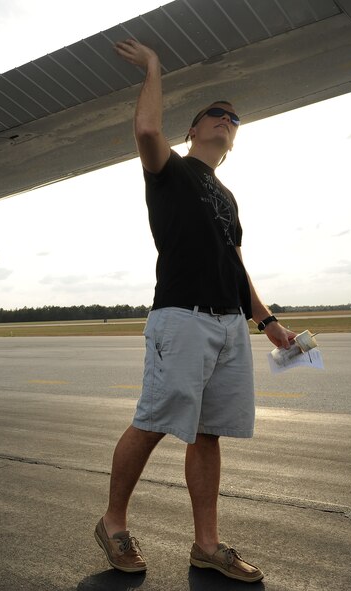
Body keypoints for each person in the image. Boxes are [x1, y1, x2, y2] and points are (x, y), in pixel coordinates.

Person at [93, 38, 297, 583]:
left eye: (234, 119)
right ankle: (113, 522)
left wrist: (267, 321)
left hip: (230, 325)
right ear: (192, 129)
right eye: (217, 113)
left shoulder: (226, 196)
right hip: (181, 317)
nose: (228, 120)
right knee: (155, 420)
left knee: (209, 434)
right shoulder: (171, 172)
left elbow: (236, 264)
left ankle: (205, 544)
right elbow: (144, 131)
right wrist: (155, 68)